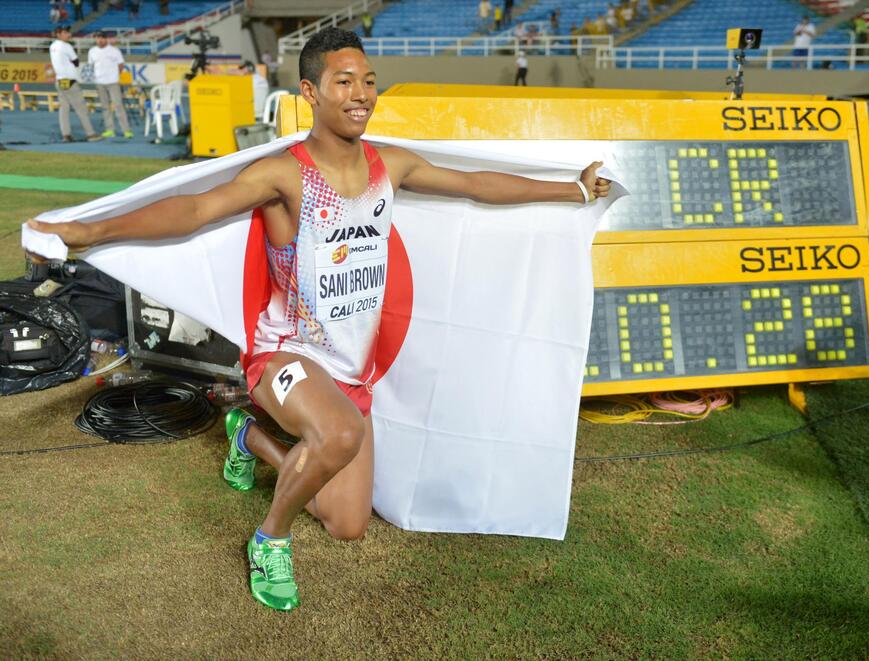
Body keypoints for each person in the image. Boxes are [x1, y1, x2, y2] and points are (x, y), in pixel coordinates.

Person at [27, 27, 609, 612]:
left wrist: (572, 190)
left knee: (347, 522)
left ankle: (249, 437)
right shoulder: (286, 175)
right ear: (311, 91)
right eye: (344, 82)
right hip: (286, 355)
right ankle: (268, 540)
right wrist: (88, 234)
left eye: (369, 81)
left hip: (350, 370)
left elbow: (476, 185)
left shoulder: (391, 165)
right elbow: (197, 209)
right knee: (339, 434)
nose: (361, 94)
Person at [49, 25, 101, 143]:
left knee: (64, 109)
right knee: (81, 108)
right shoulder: (66, 46)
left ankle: (66, 135)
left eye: (68, 32)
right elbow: (76, 61)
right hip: (70, 81)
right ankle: (90, 134)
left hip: (60, 80)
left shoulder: (52, 46)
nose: (69, 34)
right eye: (66, 32)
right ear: (58, 34)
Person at [88, 31, 133, 138]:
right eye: (98, 38)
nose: (100, 40)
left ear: (106, 39)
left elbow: (121, 64)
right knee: (105, 107)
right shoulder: (92, 51)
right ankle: (110, 130)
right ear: (96, 39)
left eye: (102, 38)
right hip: (99, 83)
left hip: (113, 82)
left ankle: (126, 130)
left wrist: (115, 75)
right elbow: (91, 65)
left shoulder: (114, 50)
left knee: (118, 106)